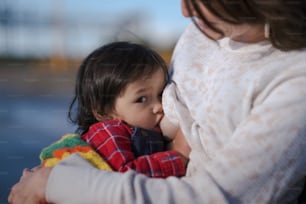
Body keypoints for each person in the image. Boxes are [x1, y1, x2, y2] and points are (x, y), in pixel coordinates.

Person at [8, 0, 306, 203]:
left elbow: (212, 197)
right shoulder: (202, 30)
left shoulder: (295, 80)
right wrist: (67, 167)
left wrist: (57, 183)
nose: (185, 9)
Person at [40, 41, 188, 178]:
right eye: (141, 99)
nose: (159, 106)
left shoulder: (144, 127)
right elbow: (124, 175)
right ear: (103, 112)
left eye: (160, 94)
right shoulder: (109, 132)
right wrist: (178, 157)